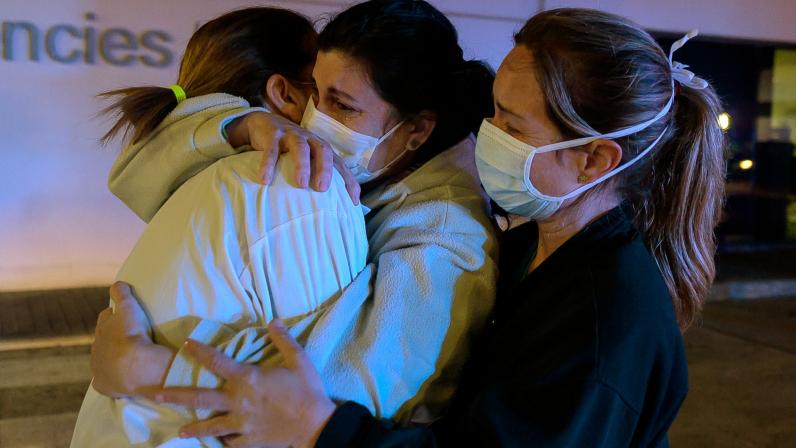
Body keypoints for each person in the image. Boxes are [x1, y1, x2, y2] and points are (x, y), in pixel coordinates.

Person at [147, 8, 727, 447]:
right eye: (494, 109)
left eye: (512, 126)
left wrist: (318, 427)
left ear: (594, 160)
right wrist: (244, 124)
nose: (485, 135)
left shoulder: (608, 320)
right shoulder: (532, 247)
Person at [86, 0, 499, 445]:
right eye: (316, 94)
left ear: (417, 130)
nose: (315, 118)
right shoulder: (373, 170)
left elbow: (339, 399)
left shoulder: (449, 236)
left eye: (342, 106)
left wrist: (151, 369)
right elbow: (138, 173)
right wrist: (245, 123)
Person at [70, 8, 365, 447]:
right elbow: (317, 384)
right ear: (284, 92)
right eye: (323, 93)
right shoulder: (294, 179)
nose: (325, 111)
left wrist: (146, 368)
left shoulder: (193, 167)